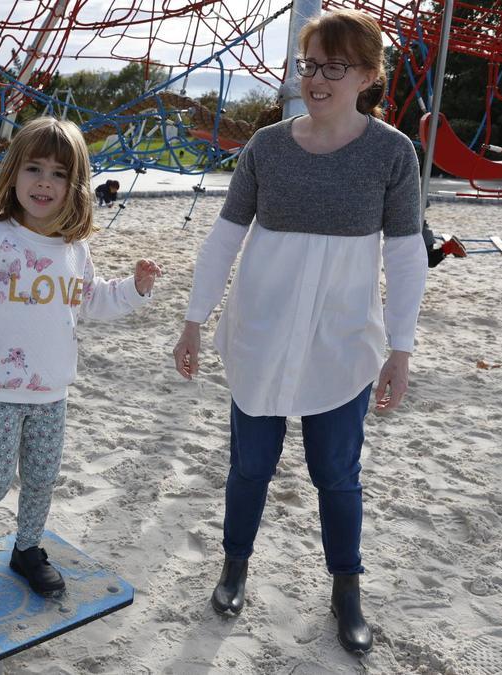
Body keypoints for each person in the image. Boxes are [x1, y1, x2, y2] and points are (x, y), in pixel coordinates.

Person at [171, 9, 427, 654]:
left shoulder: (393, 153)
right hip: (260, 329)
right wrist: (194, 321)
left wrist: (401, 350)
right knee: (249, 464)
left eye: (333, 67)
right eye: (309, 64)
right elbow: (224, 238)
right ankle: (234, 566)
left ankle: (346, 590)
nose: (316, 79)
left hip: (342, 339)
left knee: (336, 473)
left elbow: (403, 255)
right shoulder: (268, 146)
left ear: (368, 75)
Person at [0, 117, 162, 596]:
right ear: (13, 175)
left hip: (51, 388)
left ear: (75, 185)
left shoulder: (73, 247)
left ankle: (27, 549)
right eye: (34, 168)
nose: (45, 182)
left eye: (60, 174)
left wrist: (135, 288)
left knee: (43, 478)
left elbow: (92, 300)